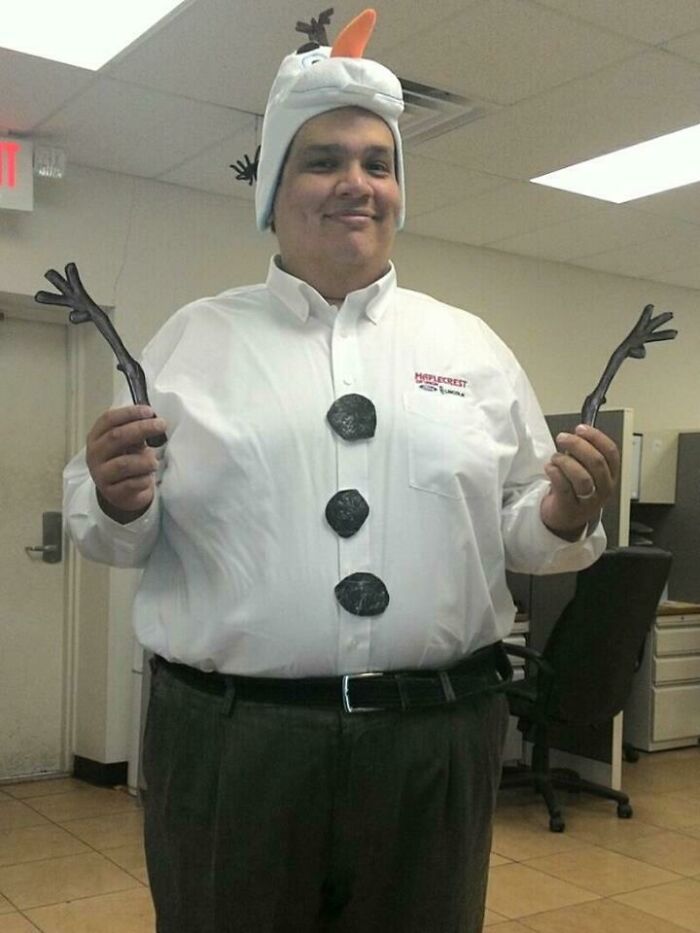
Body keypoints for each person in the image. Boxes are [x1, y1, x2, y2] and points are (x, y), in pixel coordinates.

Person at [63, 10, 619, 933]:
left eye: (378, 162)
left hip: (436, 740)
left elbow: (522, 524)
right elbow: (109, 524)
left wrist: (563, 511)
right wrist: (115, 498)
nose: (355, 183)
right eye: (323, 160)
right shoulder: (195, 342)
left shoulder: (469, 348)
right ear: (274, 192)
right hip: (236, 745)